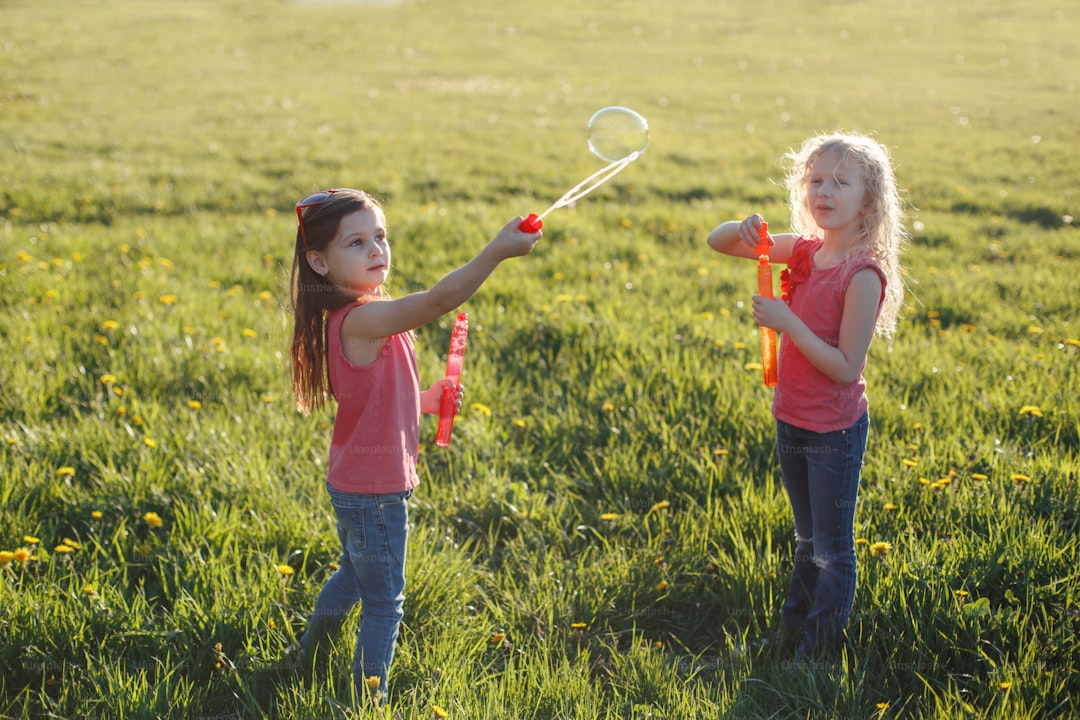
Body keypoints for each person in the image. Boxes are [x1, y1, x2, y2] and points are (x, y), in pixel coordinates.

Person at [287, 188, 541, 700]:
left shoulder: (364, 312)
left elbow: (373, 398)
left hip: (356, 483)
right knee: (385, 603)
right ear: (319, 261)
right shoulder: (360, 319)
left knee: (354, 579)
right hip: (376, 492)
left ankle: (306, 656)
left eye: (379, 236)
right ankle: (367, 702)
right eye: (355, 242)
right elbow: (437, 300)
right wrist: (495, 252)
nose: (376, 249)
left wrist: (425, 399)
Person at [706, 132, 907, 661]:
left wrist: (788, 321)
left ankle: (815, 656)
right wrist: (743, 228)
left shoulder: (862, 276)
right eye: (816, 179)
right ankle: (789, 636)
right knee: (807, 541)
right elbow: (718, 242)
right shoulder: (805, 251)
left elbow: (845, 367)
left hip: (834, 433)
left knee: (832, 551)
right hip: (791, 420)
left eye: (842, 182)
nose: (825, 190)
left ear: (868, 199)